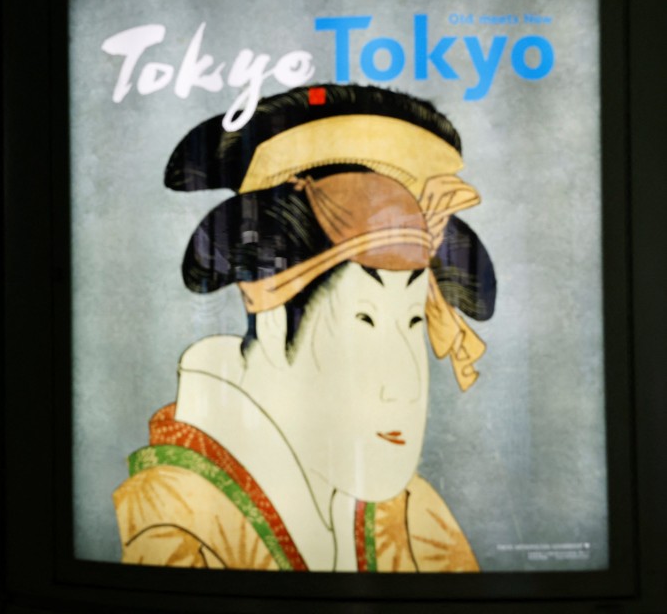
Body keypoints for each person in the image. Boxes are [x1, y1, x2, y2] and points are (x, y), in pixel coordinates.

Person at [113, 84, 496, 571]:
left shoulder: (417, 519)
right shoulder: (175, 521)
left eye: (414, 320)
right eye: (365, 318)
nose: (404, 385)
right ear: (273, 322)